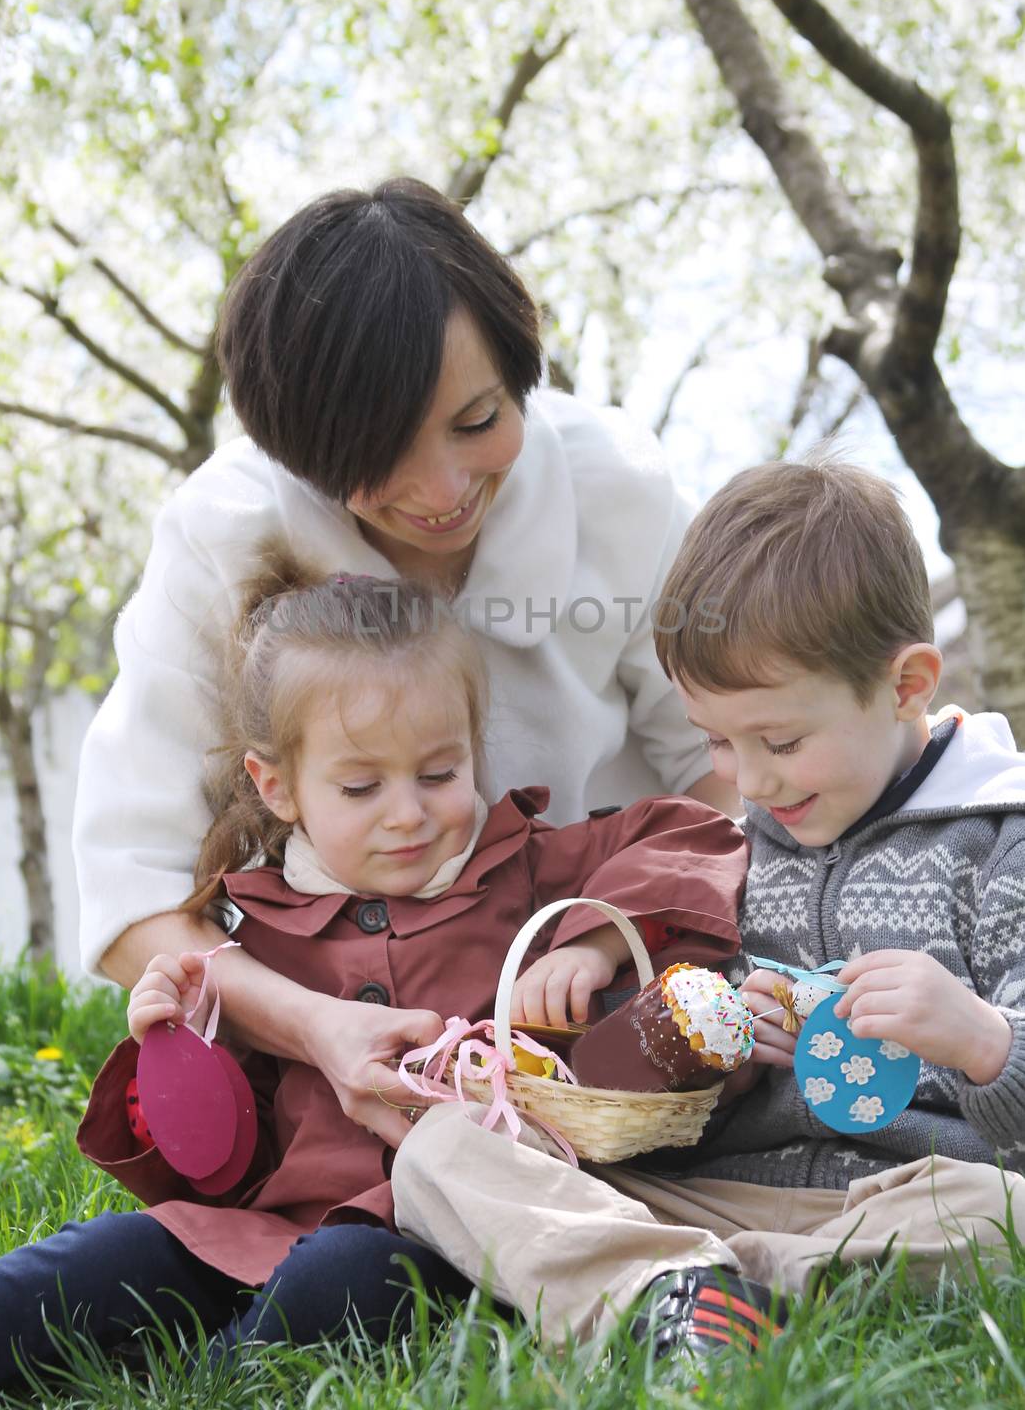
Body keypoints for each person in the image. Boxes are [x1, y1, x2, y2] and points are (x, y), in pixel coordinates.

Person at [0, 565, 748, 1400]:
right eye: (361, 787)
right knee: (96, 1260)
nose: (406, 813)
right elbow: (219, 1162)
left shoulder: (529, 869)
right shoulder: (255, 932)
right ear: (278, 787)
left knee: (344, 1284)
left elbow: (693, 833)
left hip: (434, 1237)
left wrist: (587, 945)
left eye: (439, 774)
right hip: (251, 1228)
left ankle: (201, 1379)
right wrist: (177, 1049)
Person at [73, 178, 735, 1163]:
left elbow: (724, 769)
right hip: (334, 1040)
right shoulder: (225, 532)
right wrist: (311, 1026)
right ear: (296, 451)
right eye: (379, 455)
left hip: (587, 1023)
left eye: (476, 422)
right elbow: (132, 885)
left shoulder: (613, 494)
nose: (440, 492)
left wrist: (605, 941)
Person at [392, 457, 1025, 1363]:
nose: (749, 779)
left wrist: (979, 1039)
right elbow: (666, 1091)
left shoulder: (1000, 844)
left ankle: (676, 1291)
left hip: (908, 1199)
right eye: (716, 742)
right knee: (442, 1151)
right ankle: (685, 1286)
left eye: (780, 741)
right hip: (716, 1188)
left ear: (907, 684)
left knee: (1003, 1215)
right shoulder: (736, 847)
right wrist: (705, 1056)